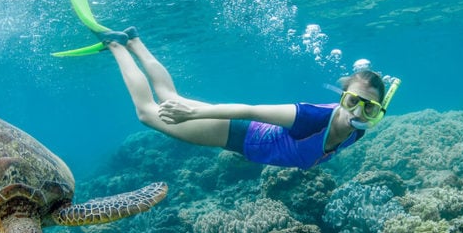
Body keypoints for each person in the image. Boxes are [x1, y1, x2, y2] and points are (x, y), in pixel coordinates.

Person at [100, 27, 395, 170]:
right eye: (352, 101)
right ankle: (115, 43)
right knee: (147, 112)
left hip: (242, 138)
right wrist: (192, 114)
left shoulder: (357, 133)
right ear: (342, 97)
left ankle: (134, 39)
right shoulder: (311, 117)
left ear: (377, 112)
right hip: (236, 133)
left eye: (368, 107)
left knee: (168, 96)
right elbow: (250, 110)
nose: (357, 112)